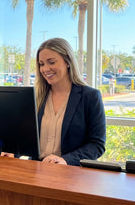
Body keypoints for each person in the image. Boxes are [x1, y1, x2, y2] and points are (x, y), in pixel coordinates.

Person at [35, 37, 106, 166]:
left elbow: (97, 145)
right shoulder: (36, 96)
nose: (45, 69)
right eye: (42, 64)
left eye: (51, 62)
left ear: (67, 62)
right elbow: (26, 138)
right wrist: (12, 152)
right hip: (35, 171)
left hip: (71, 173)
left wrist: (66, 160)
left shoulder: (90, 97)